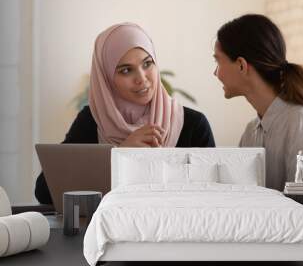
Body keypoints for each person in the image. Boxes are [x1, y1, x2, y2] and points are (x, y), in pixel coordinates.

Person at [35, 23, 215, 204]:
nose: (142, 79)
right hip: (110, 231)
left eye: (147, 64)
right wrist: (119, 156)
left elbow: (214, 198)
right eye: (126, 70)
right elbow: (45, 191)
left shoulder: (193, 124)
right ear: (106, 78)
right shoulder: (93, 120)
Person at [213, 14, 303, 227]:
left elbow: (301, 218)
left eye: (218, 61)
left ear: (241, 65)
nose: (215, 73)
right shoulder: (250, 132)